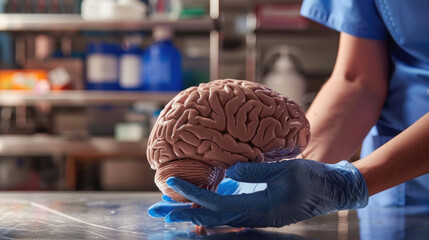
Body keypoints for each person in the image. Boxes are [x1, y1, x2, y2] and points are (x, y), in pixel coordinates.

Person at [147, 0, 429, 228]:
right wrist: (293, 173)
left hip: (382, 175)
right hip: (398, 198)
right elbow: (358, 81)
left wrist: (350, 184)